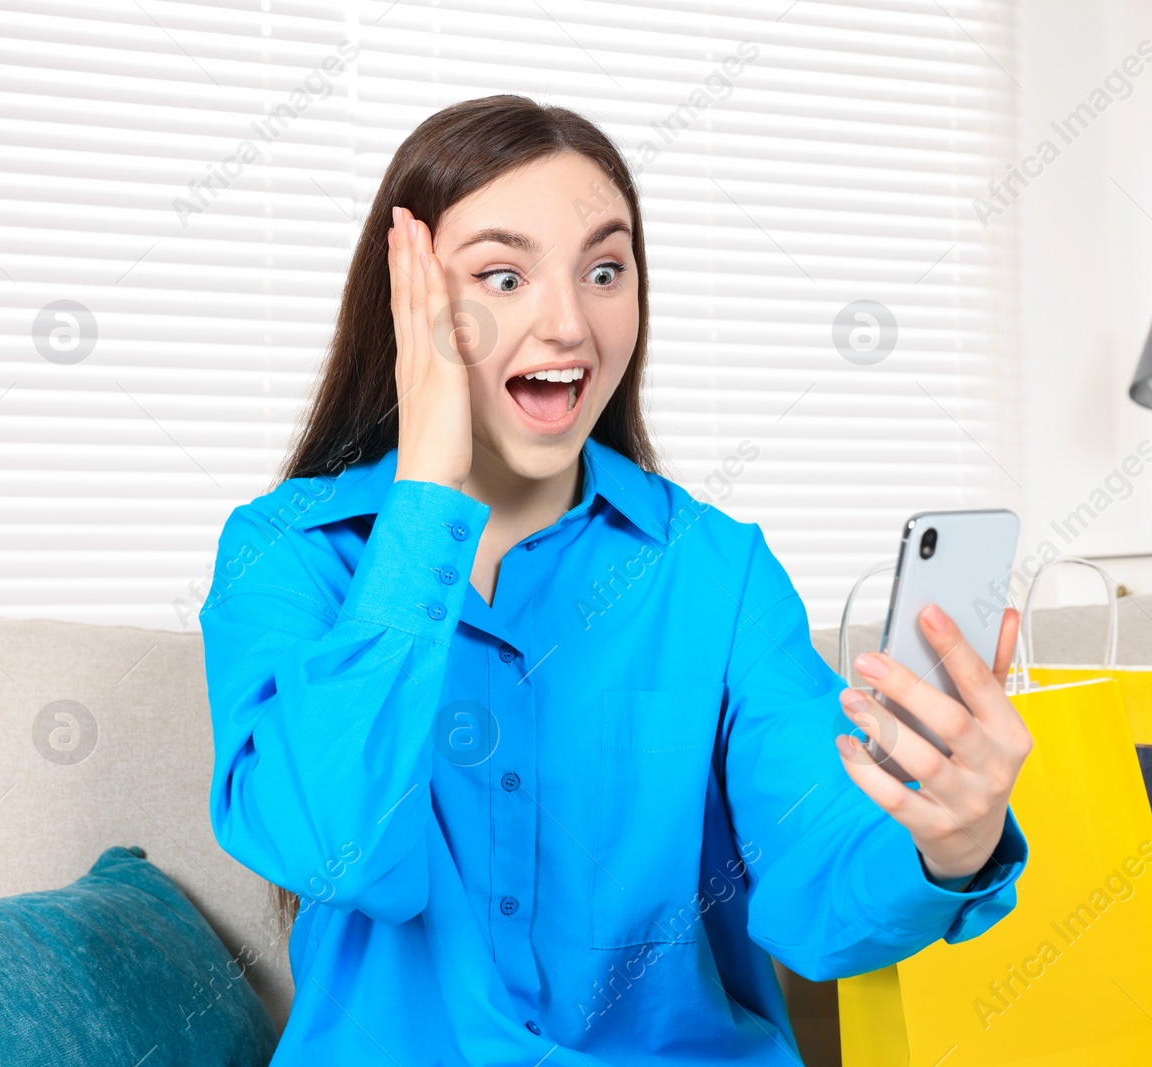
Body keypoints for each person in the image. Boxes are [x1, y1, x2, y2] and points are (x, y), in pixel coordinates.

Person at [198, 93, 1031, 1065]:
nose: (567, 321)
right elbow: (329, 844)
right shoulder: (288, 551)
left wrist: (950, 842)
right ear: (409, 304)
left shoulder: (716, 570)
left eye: (604, 269)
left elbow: (817, 899)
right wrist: (426, 484)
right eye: (502, 275)